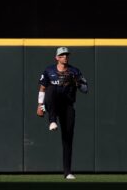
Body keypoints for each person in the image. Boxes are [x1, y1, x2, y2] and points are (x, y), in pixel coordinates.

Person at [36, 47, 88, 179]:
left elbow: (85, 89)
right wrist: (40, 105)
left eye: (66, 55)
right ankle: (52, 120)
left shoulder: (74, 71)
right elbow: (42, 88)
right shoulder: (49, 70)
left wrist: (76, 83)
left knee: (68, 139)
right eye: (62, 55)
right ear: (57, 58)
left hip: (67, 106)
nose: (65, 57)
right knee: (51, 88)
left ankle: (67, 172)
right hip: (52, 104)